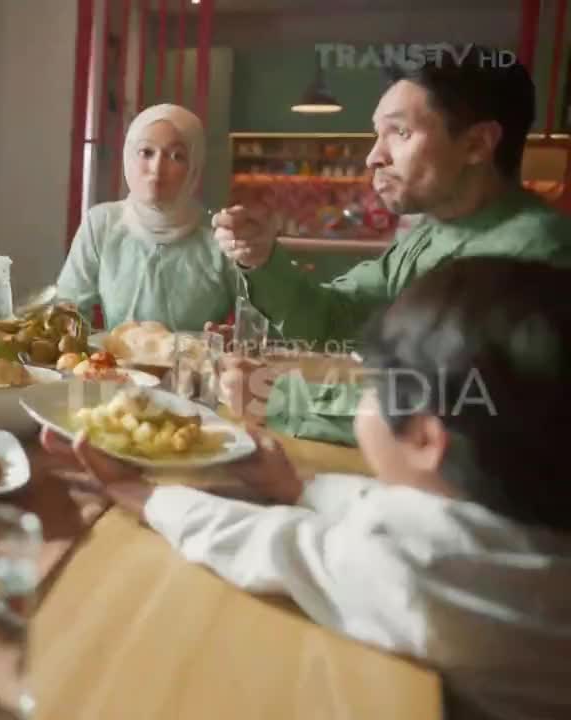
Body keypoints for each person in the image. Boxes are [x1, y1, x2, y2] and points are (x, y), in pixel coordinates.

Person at [42, 256, 571, 720]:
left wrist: (142, 495)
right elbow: (383, 507)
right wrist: (298, 487)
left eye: (372, 386)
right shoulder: (524, 529)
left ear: (425, 438)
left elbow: (274, 544)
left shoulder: (425, 567)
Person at [211, 46, 571, 444]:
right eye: (376, 134)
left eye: (400, 132)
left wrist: (277, 397)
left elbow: (444, 409)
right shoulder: (430, 234)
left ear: (477, 144)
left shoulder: (536, 255)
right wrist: (263, 259)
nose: (373, 157)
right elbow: (336, 319)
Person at [57, 104, 238, 331]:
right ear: (129, 156)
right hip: (115, 365)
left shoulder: (218, 237)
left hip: (194, 366)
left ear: (194, 166)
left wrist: (232, 338)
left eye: (176, 156)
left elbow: (259, 321)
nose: (157, 168)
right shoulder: (102, 224)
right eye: (146, 152)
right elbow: (68, 312)